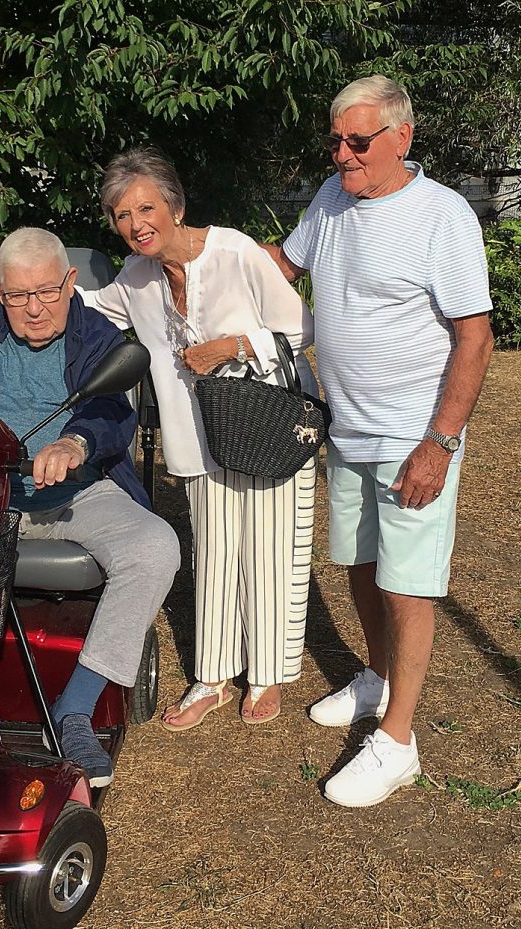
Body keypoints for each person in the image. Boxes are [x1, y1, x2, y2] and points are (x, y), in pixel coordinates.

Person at [263, 75, 494, 807]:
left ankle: (397, 741)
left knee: (406, 582)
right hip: (348, 423)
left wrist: (440, 442)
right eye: (334, 141)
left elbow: (475, 337)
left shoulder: (443, 216)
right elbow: (280, 267)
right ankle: (376, 677)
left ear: (402, 137)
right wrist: (188, 255)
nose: (342, 155)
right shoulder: (333, 200)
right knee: (360, 563)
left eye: (357, 142)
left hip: (412, 434)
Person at [0, 227, 181, 788]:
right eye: (19, 296)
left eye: (48, 292)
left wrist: (75, 443)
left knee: (154, 547)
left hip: (76, 493)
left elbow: (111, 412)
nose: (36, 309)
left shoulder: (94, 334)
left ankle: (77, 707)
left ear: (70, 283)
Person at [83, 147, 319, 731]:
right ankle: (211, 676)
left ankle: (266, 674)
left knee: (270, 549)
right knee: (213, 554)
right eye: (121, 214)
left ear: (175, 205)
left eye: (146, 207)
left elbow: (299, 326)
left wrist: (235, 345)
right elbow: (92, 310)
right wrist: (31, 292)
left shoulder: (235, 250)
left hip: (267, 425)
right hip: (197, 436)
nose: (136, 224)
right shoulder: (135, 278)